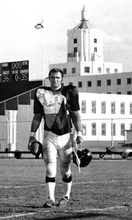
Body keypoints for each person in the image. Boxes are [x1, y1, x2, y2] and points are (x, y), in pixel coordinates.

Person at [28, 68, 83, 208]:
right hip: (49, 136)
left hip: (65, 137)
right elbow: (37, 117)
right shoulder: (41, 93)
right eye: (52, 77)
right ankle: (50, 198)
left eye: (58, 78)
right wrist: (32, 135)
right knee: (50, 167)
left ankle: (66, 195)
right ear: (49, 78)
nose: (55, 80)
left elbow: (76, 115)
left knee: (65, 168)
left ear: (62, 79)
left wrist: (79, 133)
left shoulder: (70, 92)